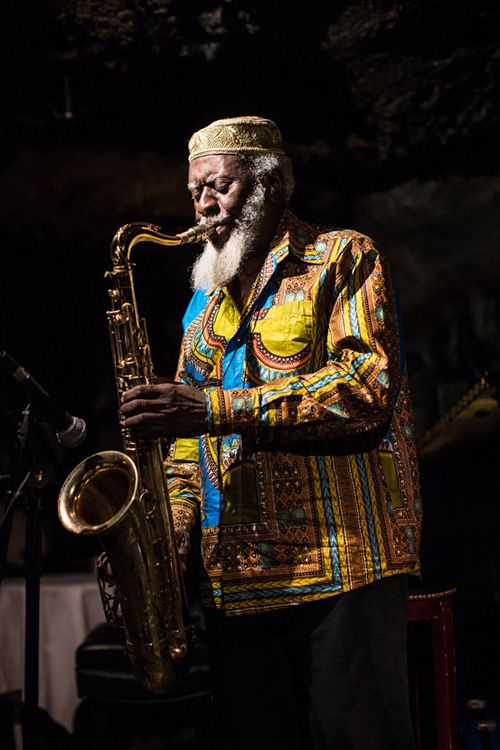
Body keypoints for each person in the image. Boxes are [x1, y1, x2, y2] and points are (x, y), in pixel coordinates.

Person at [120, 116, 422, 750]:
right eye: (194, 191)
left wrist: (217, 410)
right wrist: (167, 542)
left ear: (270, 186)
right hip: (235, 587)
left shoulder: (342, 256)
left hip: (342, 571)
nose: (203, 205)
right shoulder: (202, 304)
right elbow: (182, 447)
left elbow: (364, 390)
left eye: (220, 186)